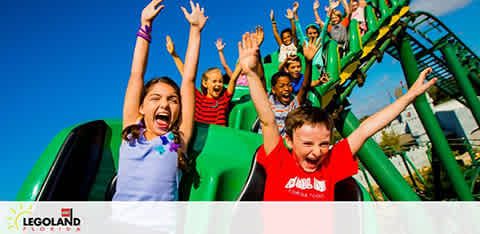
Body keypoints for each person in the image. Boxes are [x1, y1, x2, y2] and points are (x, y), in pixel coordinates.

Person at [238, 32, 437, 201]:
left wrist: (409, 96)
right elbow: (267, 120)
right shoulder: (279, 160)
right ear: (289, 140)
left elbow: (366, 129)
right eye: (308, 144)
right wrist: (251, 73)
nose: (316, 152)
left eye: (323, 144)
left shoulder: (331, 162)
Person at [113, 0, 208, 201]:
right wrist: (145, 24)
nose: (164, 104)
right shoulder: (131, 132)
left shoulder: (177, 141)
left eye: (173, 100)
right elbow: (136, 74)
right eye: (155, 98)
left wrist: (195, 31)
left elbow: (189, 80)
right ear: (141, 107)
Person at [256, 36, 321, 137]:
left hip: (284, 147)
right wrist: (257, 50)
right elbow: (261, 78)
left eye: (289, 85)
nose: (286, 89)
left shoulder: (294, 103)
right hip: (264, 143)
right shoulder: (268, 99)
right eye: (282, 86)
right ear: (273, 90)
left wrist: (308, 62)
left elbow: (305, 86)